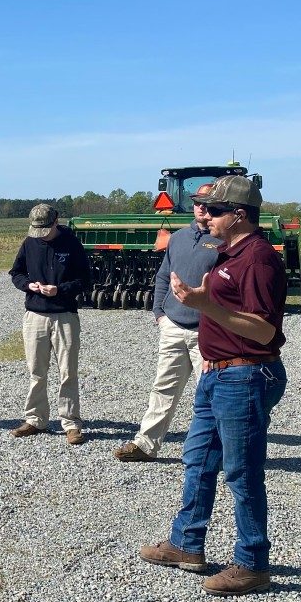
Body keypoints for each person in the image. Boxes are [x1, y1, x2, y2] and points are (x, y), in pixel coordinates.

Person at [139, 174, 288, 596]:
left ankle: (252, 562)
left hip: (245, 374)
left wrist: (204, 305)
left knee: (241, 472)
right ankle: (186, 544)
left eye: (216, 210)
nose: (207, 215)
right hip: (218, 371)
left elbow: (263, 331)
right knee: (199, 458)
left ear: (239, 215)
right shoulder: (230, 252)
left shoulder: (257, 258)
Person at [115, 182, 221, 461]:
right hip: (173, 326)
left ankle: (216, 453)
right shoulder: (178, 238)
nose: (202, 207)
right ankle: (146, 445)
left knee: (211, 395)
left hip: (208, 332)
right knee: (164, 387)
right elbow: (163, 276)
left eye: (208, 203)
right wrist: (160, 314)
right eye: (198, 202)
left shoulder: (225, 242)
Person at [9, 204, 91, 443]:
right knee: (36, 371)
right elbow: (16, 273)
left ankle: (71, 423)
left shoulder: (72, 244)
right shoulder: (29, 243)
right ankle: (35, 419)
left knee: (68, 372)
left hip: (65, 315)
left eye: (44, 229)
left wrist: (61, 290)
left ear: (55, 222)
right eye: (36, 230)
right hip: (35, 315)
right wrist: (28, 285)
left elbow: (85, 280)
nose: (41, 235)